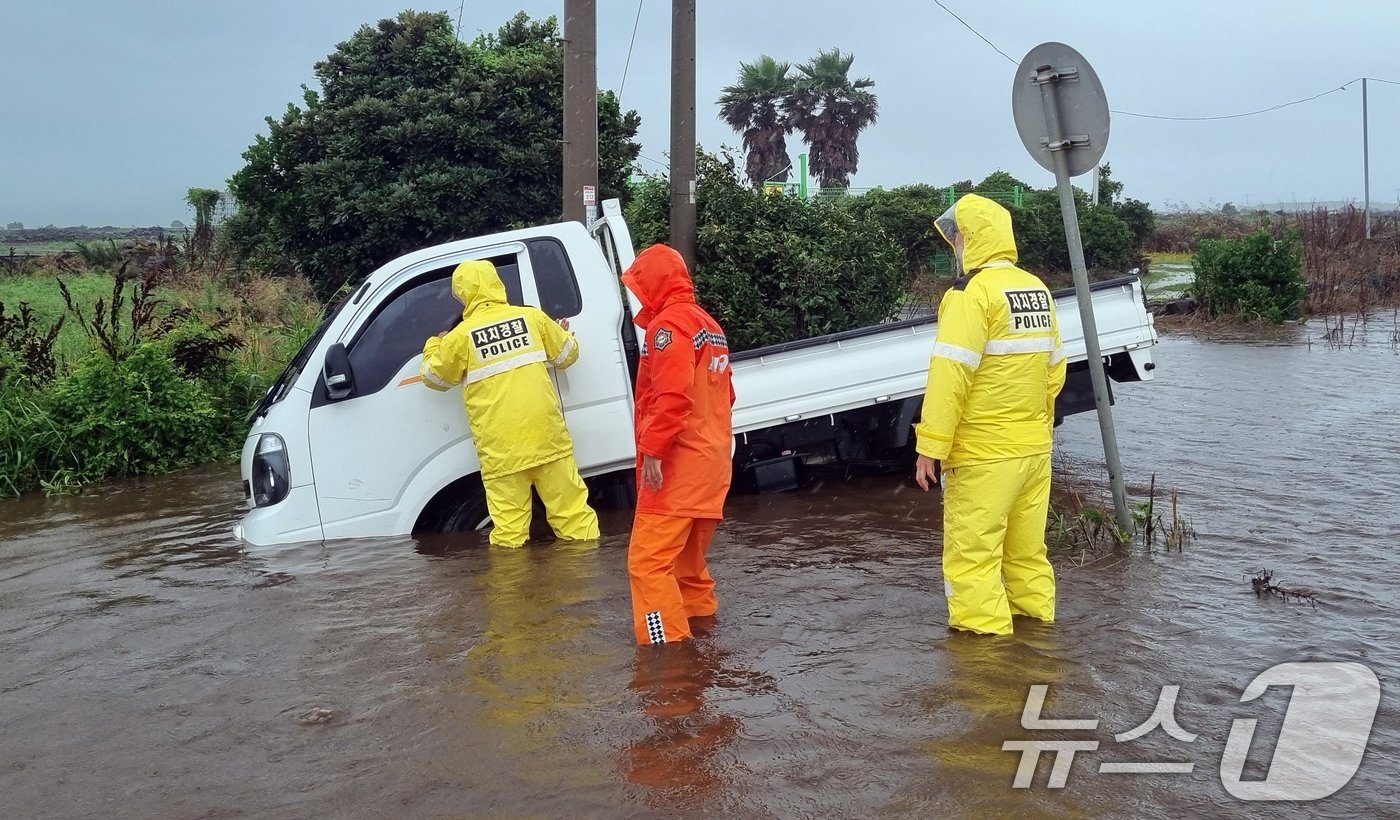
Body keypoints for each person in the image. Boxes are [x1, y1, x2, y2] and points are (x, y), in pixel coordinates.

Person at [914, 193, 1067, 636]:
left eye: (957, 236)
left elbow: (949, 379)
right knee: (1027, 556)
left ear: (969, 237)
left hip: (984, 454)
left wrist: (930, 448)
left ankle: (988, 676)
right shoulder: (1035, 288)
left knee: (973, 561)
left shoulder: (969, 294)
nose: (956, 244)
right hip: (1034, 451)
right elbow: (1055, 371)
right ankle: (1039, 646)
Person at [420, 259, 600, 547]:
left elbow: (435, 378)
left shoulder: (459, 338)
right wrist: (563, 334)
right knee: (574, 518)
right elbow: (567, 355)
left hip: (502, 451)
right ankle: (592, 585)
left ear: (464, 295)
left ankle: (511, 591)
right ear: (497, 284)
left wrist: (434, 345)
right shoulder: (532, 319)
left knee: (509, 536)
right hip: (548, 440)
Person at [621, 244, 735, 645]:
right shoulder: (709, 325)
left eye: (639, 286)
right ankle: (702, 642)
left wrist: (653, 449)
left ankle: (665, 656)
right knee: (688, 567)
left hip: (677, 467)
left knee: (648, 565)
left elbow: (672, 396)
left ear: (654, 284)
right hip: (711, 466)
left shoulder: (667, 327)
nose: (637, 295)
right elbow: (725, 397)